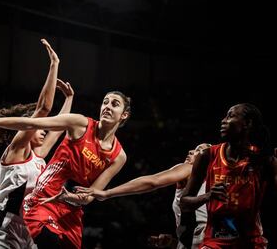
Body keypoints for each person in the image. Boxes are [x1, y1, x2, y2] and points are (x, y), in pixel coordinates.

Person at [0, 90, 132, 249]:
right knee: (50, 242)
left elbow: (91, 194)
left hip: (70, 210)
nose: (107, 106)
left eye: (114, 104)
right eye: (105, 102)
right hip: (41, 201)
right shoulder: (80, 124)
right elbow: (35, 119)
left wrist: (72, 197)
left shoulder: (118, 156)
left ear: (124, 115)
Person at [0, 38, 74, 248]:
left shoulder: (39, 155)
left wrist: (69, 98)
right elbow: (43, 109)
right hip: (5, 226)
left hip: (30, 226)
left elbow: (60, 127)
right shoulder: (15, 152)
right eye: (39, 127)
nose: (44, 131)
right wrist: (54, 65)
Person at [76, 143, 211, 249]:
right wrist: (173, 243)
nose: (191, 151)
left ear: (209, 161)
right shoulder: (210, 186)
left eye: (199, 150)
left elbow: (153, 181)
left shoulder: (189, 168)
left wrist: (107, 193)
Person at [180, 103, 277, 249]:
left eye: (230, 116)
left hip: (250, 241)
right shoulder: (207, 155)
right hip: (214, 242)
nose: (223, 120)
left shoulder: (263, 159)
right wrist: (208, 196)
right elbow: (184, 203)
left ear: (247, 123)